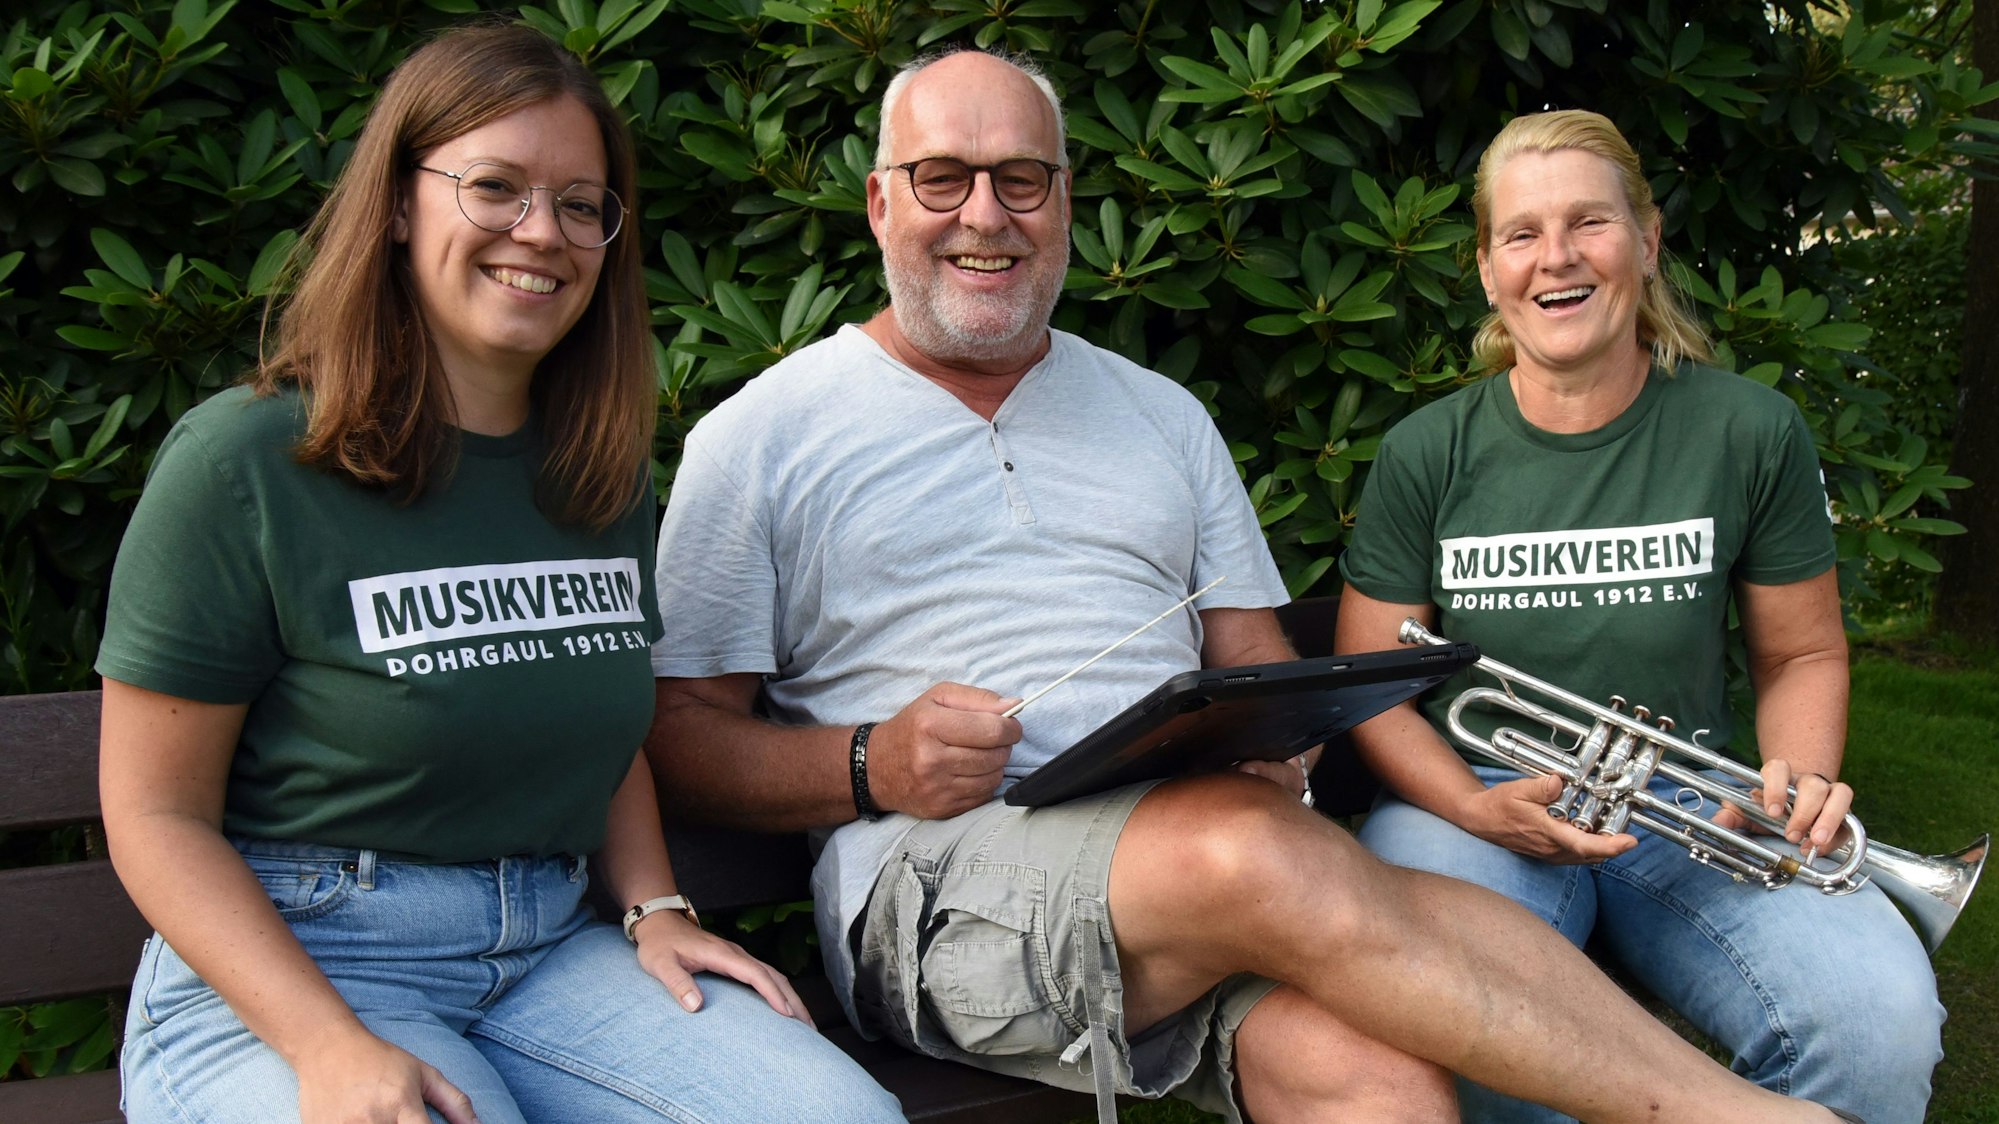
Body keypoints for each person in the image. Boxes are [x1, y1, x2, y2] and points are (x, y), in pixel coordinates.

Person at [647, 48, 1866, 1124]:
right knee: (1251, 846)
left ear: (1065, 200)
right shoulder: (766, 435)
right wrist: (867, 761)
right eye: (942, 177)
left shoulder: (1159, 416)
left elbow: (1249, 658)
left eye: (1022, 178)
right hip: (940, 889)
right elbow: (685, 738)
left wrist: (1273, 740)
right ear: (878, 202)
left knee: (1379, 1085)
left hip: (1199, 870)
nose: (986, 213)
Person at [95, 24, 903, 1124]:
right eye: (496, 187)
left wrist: (654, 903)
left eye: (582, 204)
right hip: (295, 963)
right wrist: (325, 1044)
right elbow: (152, 813)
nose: (544, 232)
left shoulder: (596, 471)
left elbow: (591, 710)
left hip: (546, 951)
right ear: (395, 201)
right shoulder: (244, 463)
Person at [1336, 108, 1943, 1124]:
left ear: (1647, 240)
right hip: (1482, 801)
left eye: (1589, 222)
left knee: (1879, 1030)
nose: (1556, 257)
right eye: (1521, 233)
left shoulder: (1748, 428)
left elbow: (1800, 650)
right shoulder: (1424, 451)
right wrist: (1472, 804)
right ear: (1487, 268)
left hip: (1694, 803)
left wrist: (1792, 778)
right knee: (1459, 1020)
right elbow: (1366, 684)